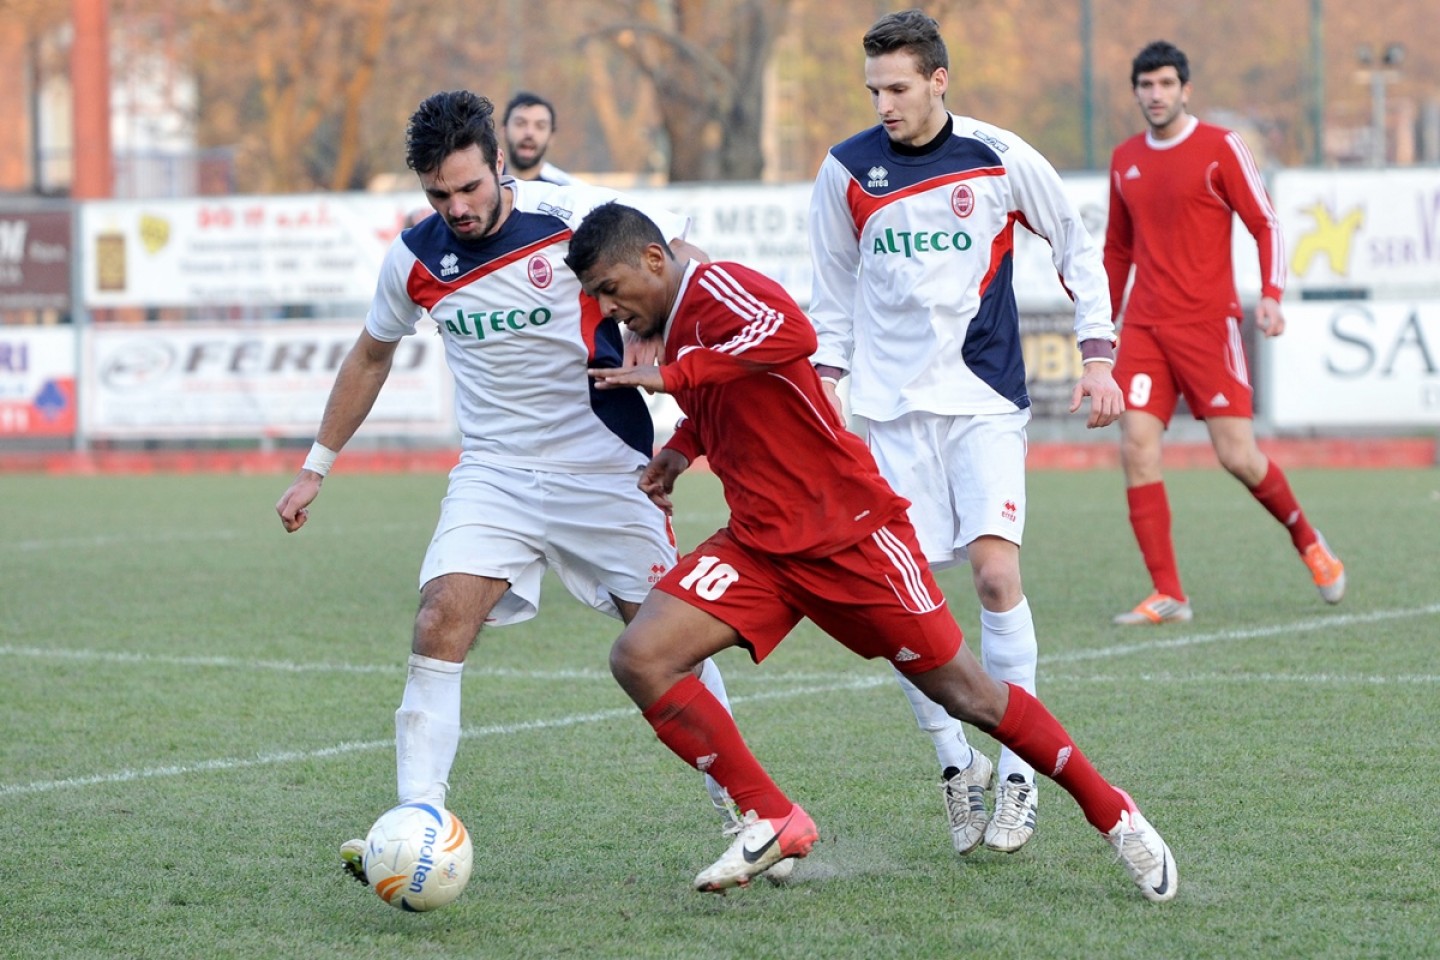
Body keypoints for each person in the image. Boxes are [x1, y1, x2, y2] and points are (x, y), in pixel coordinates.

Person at [565, 201, 1176, 902]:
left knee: (969, 694)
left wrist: (673, 377)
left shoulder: (716, 287)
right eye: (596, 298)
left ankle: (1112, 810)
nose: (609, 308)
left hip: (851, 536)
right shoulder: (671, 328)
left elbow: (788, 333)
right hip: (761, 545)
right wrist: (678, 450)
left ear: (652, 259)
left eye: (611, 289)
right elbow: (736, 399)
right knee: (640, 656)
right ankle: (773, 814)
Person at [273, 89, 747, 884]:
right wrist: (315, 465)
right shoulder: (417, 257)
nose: (456, 207)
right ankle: (415, 821)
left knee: (667, 646)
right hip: (495, 474)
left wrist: (666, 355)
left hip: (605, 466)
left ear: (500, 163)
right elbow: (370, 355)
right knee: (440, 618)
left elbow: (675, 269)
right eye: (439, 194)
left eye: (469, 187)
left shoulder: (573, 217)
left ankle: (750, 808)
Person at [806, 8, 1123, 857]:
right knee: (896, 604)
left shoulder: (1000, 156)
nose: (884, 103)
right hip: (886, 412)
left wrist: (1098, 354)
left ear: (939, 80)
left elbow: (1076, 245)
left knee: (990, 577)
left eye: (899, 88)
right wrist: (826, 385)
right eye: (874, 89)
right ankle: (955, 764)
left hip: (983, 402)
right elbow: (830, 297)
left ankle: (1019, 776)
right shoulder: (845, 171)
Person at [1103, 41, 1346, 626]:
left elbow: (1265, 223)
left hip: (1208, 326)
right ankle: (1169, 593)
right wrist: (1100, 327)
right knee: (1136, 444)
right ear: (1135, 92)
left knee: (1237, 456)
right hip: (1143, 327)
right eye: (1146, 85)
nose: (1155, 94)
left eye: (1165, 84)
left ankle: (1310, 542)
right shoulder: (1124, 159)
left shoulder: (1220, 147)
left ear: (1185, 89)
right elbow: (1117, 249)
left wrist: (1272, 295)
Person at [502, 91, 575, 185]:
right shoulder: (484, 185)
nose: (529, 133)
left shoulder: (565, 193)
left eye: (540, 126)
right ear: (504, 130)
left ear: (551, 136)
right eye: (520, 123)